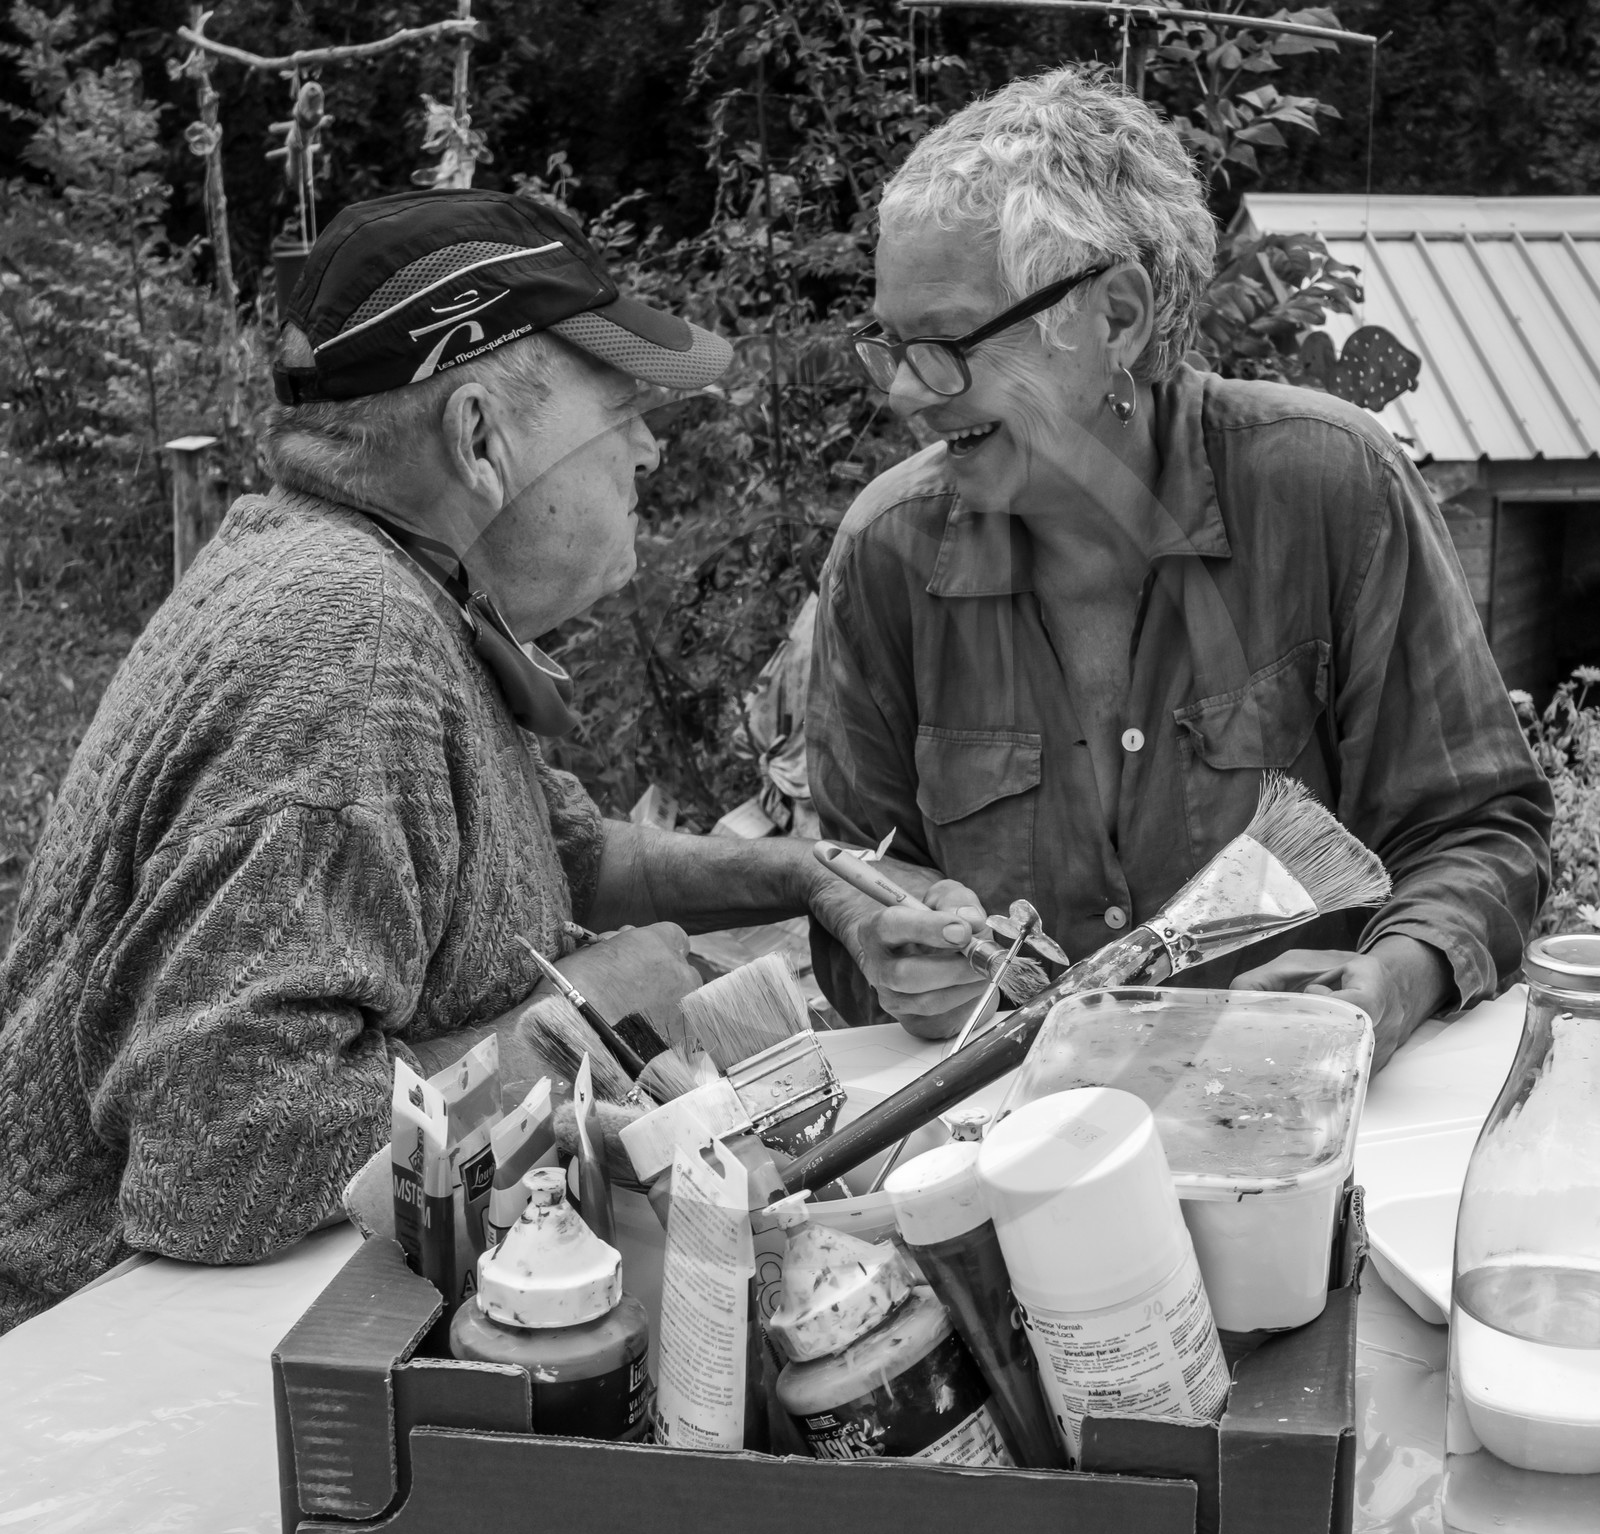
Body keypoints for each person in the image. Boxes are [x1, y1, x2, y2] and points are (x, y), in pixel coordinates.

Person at [0, 190, 985, 1333]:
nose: (651, 448)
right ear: (479, 437)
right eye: (621, 409)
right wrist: (566, 1033)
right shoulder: (347, 650)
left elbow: (553, 853)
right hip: (113, 1376)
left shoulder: (388, 586)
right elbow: (226, 1153)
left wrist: (808, 880)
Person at [806, 67, 1553, 1061]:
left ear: (1114, 318)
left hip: (1297, 1117)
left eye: (942, 345)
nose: (903, 392)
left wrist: (1394, 977)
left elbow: (1477, 828)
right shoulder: (885, 556)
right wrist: (891, 951)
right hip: (1014, 1145)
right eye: (887, 345)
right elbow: (855, 882)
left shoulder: (1326, 487)